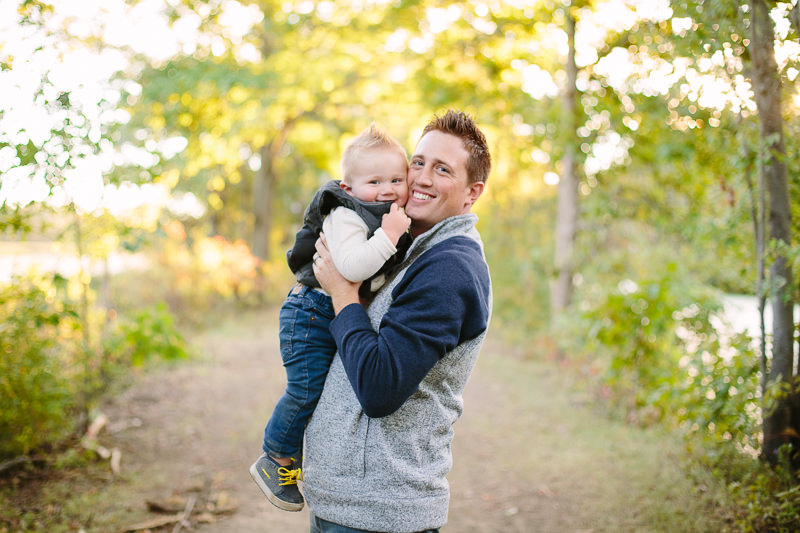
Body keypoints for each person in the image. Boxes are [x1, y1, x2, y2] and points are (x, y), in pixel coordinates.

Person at [304, 109, 492, 533]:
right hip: (351, 504)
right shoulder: (415, 246)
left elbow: (380, 388)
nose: (422, 179)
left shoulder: (450, 268)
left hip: (379, 514)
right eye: (419, 163)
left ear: (471, 192)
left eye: (442, 169)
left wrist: (342, 293)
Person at [250, 123, 412, 512]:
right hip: (309, 313)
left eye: (396, 179)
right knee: (305, 389)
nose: (387, 189)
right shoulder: (347, 215)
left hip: (325, 312)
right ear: (349, 187)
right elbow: (353, 267)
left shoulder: (385, 213)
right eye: (375, 181)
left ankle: (294, 457)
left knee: (324, 390)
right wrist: (389, 236)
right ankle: (274, 459)